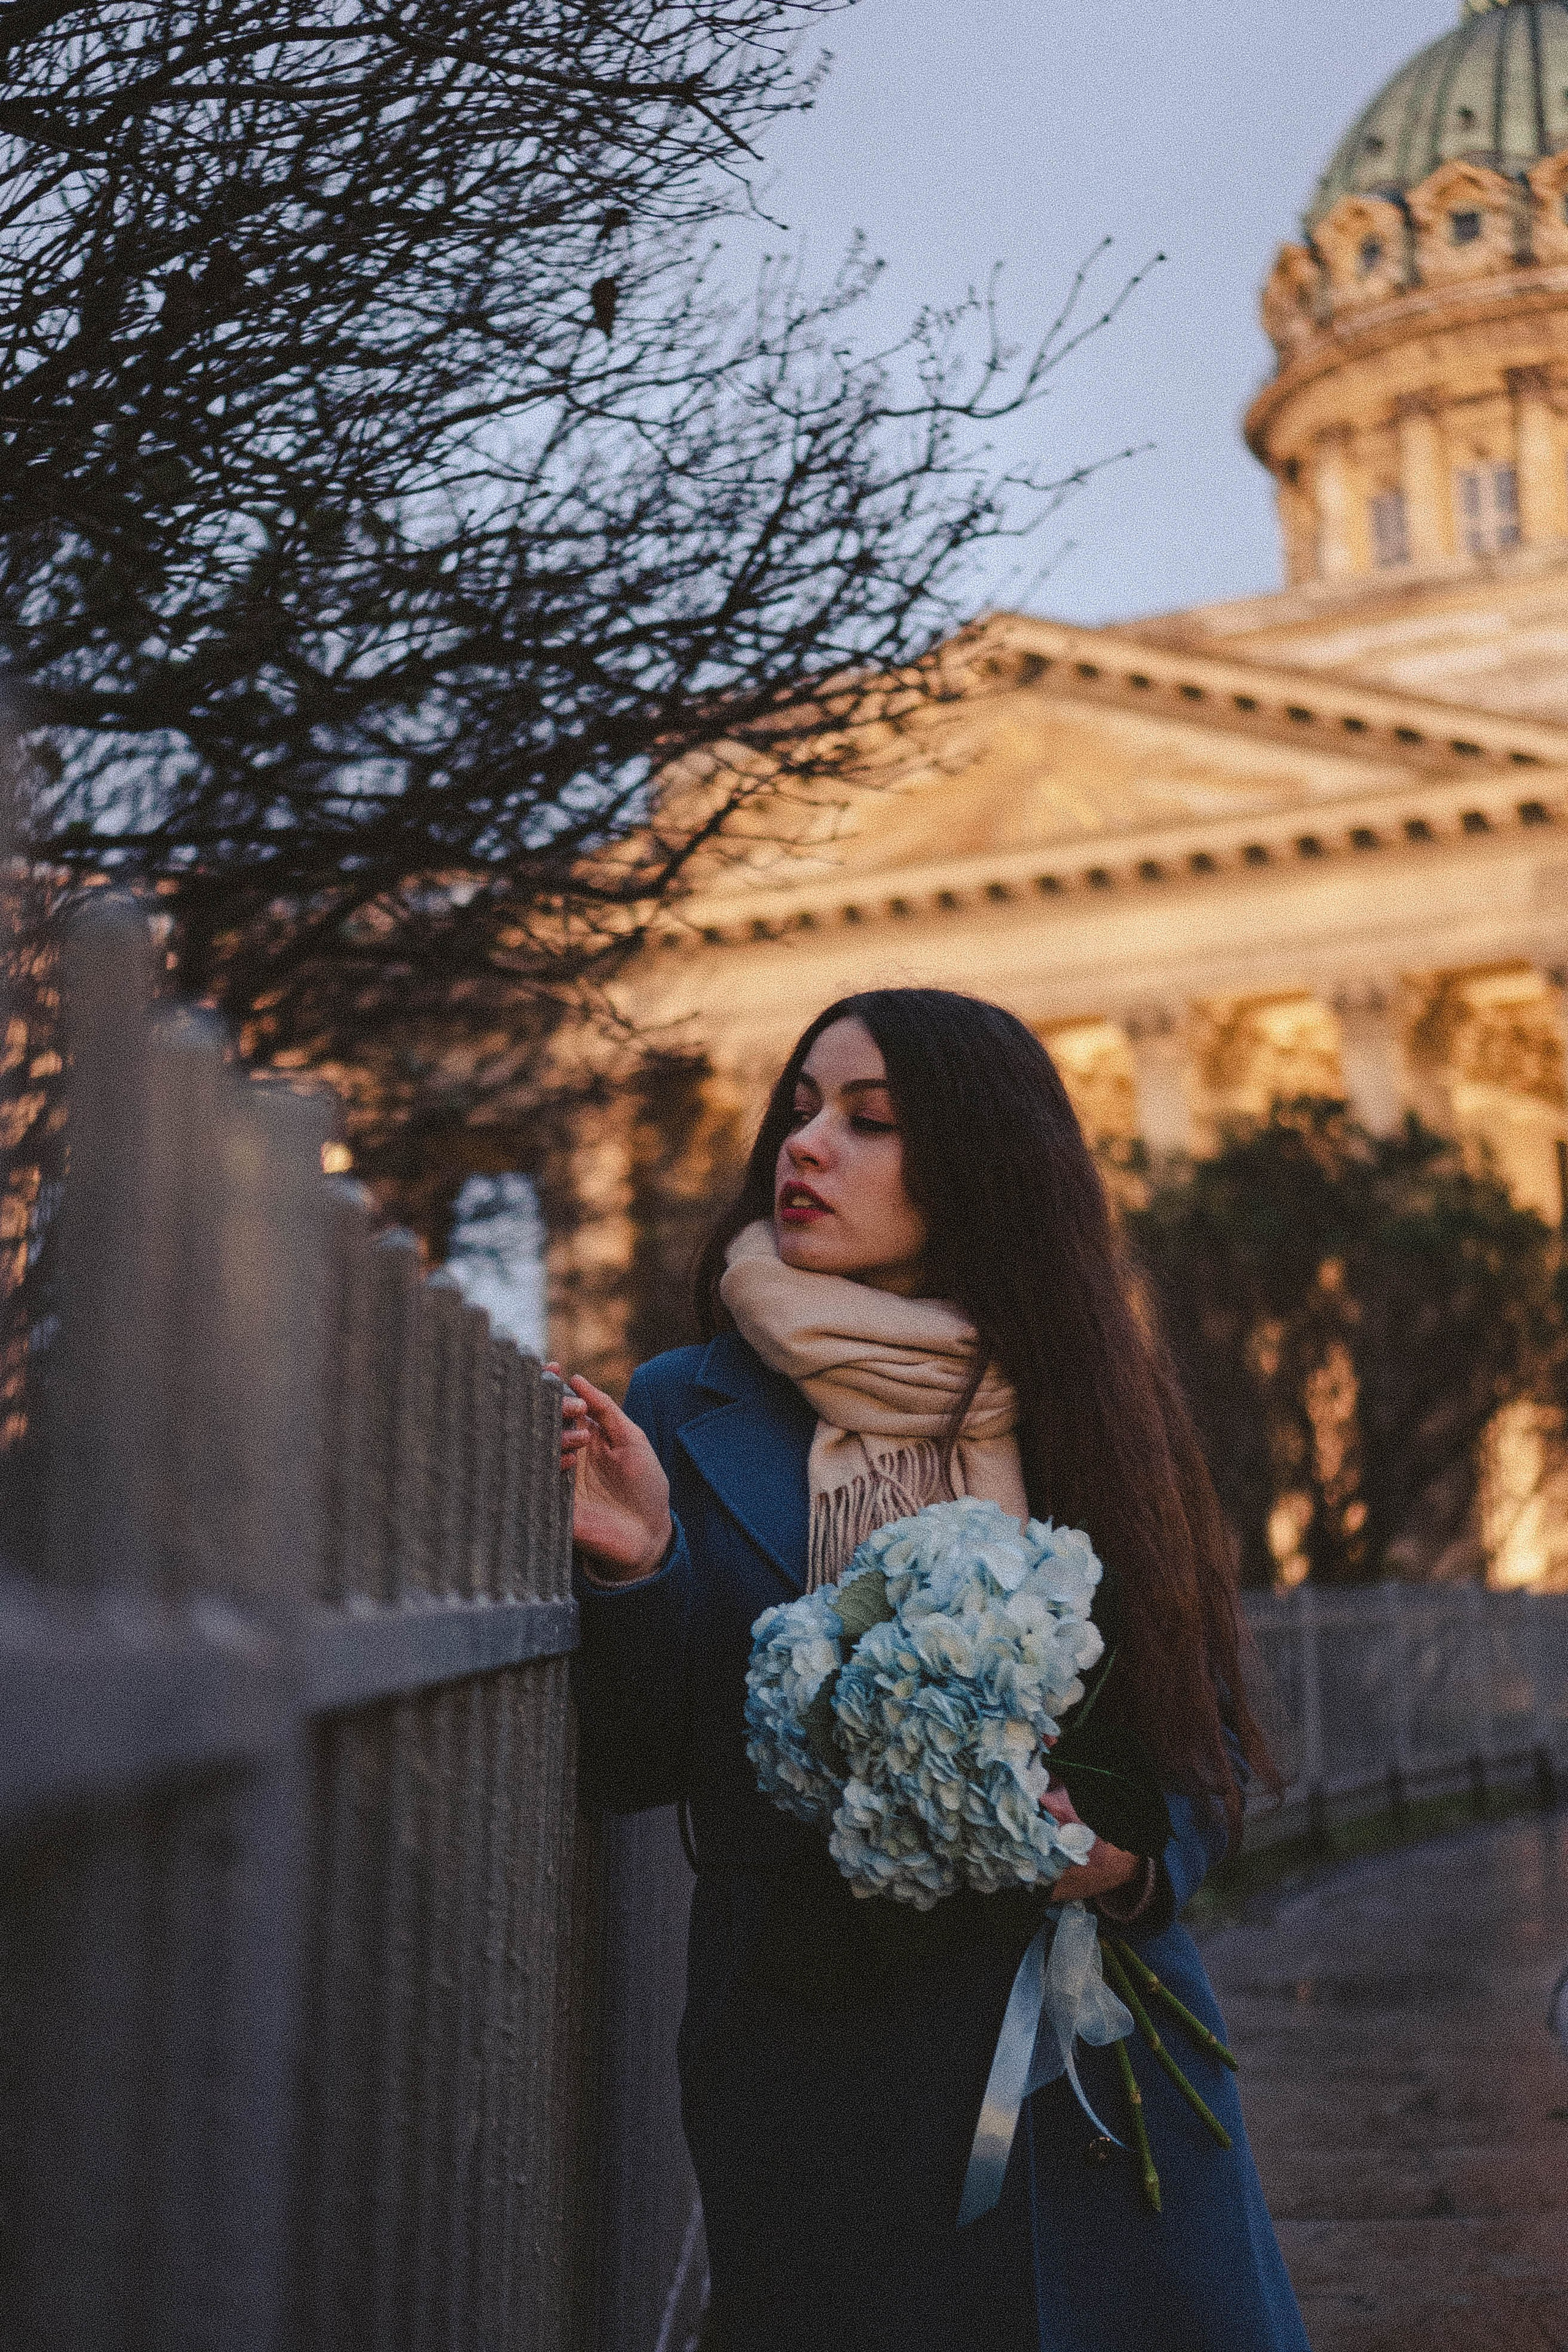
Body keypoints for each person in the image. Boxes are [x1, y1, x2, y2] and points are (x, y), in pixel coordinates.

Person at [560, 988, 1310, 2352]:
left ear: (978, 1162)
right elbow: (631, 1761)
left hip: (1088, 2048)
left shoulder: (1088, 1394)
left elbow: (1190, 1737)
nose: (806, 1148)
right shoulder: (681, 1407)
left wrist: (1129, 1862)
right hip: (815, 2051)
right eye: (796, 1112)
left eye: (869, 1121)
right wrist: (638, 1566)